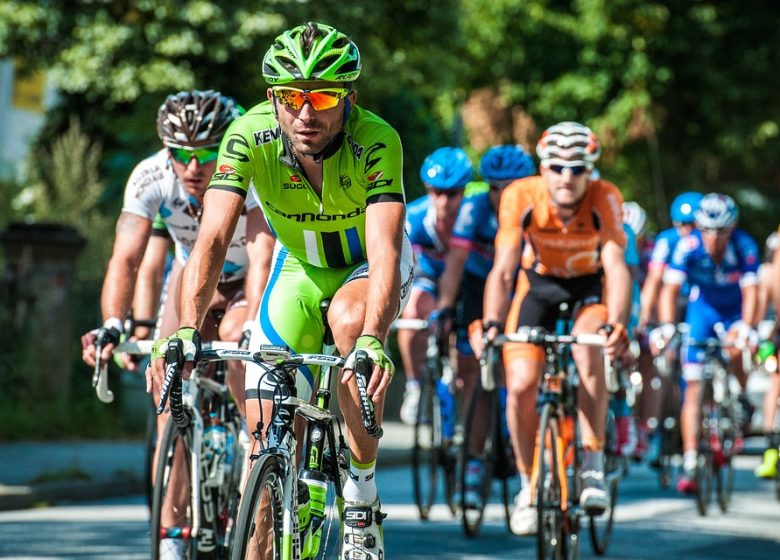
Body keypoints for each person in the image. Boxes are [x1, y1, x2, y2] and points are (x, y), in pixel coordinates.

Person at [148, 22, 413, 560]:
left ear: (348, 99)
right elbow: (215, 237)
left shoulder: (377, 140)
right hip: (301, 268)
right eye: (291, 97)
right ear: (274, 98)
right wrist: (183, 328)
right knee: (265, 435)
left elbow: (384, 248)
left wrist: (373, 337)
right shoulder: (248, 134)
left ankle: (360, 501)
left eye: (322, 96)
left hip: (364, 267)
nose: (305, 113)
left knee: (347, 325)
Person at [81, 90, 272, 559]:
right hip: (195, 283)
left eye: (206, 153)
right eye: (181, 154)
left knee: (236, 351)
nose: (194, 167)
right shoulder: (150, 176)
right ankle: (170, 535)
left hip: (250, 281)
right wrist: (112, 323)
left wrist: (256, 327)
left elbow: (264, 255)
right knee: (168, 392)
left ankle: (253, 457)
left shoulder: (248, 173)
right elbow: (126, 259)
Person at [475, 122, 631, 535]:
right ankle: (528, 485)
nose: (567, 176)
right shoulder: (520, 196)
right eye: (557, 166)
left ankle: (593, 462)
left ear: (590, 171)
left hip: (588, 289)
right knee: (522, 384)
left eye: (577, 168)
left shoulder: (606, 197)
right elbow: (504, 268)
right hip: (538, 287)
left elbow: (616, 268)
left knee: (588, 348)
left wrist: (617, 323)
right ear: (543, 169)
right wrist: (492, 324)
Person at [437, 145, 537, 507]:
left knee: (523, 367)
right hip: (480, 288)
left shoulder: (538, 206)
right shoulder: (473, 208)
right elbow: (456, 261)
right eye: (493, 187)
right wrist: (446, 308)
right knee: (473, 370)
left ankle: (527, 439)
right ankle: (475, 461)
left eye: (508, 186)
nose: (500, 196)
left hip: (526, 286)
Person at [653, 193, 760, 493]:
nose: (714, 238)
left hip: (734, 311)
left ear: (732, 227)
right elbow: (669, 290)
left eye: (721, 231)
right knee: (694, 384)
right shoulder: (687, 247)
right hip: (702, 311)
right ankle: (689, 456)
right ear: (698, 228)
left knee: (736, 348)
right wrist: (665, 326)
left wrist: (747, 327)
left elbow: (753, 291)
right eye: (707, 230)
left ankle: (740, 394)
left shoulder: (744, 245)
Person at [397, 146, 473, 425]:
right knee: (412, 311)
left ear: (464, 191)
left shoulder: (472, 217)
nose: (443, 201)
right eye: (435, 192)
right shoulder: (414, 217)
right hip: (428, 279)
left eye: (452, 194)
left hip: (463, 282)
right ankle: (414, 386)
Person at [755, 228, 780, 478]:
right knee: (776, 379)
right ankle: (771, 445)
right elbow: (762, 303)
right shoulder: (768, 272)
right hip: (774, 329)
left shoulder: (769, 270)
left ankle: (770, 445)